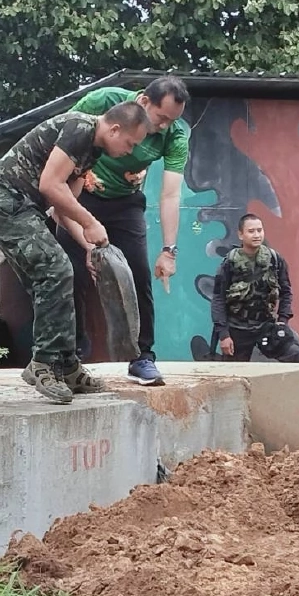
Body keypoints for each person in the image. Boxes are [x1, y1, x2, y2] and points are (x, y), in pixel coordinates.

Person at [0, 103, 151, 404]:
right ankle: (44, 362)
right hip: (4, 201)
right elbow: (50, 185)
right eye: (130, 143)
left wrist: (90, 247)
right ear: (114, 129)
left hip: (23, 208)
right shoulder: (80, 128)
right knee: (55, 270)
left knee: (55, 275)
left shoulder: (92, 151)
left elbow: (60, 206)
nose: (129, 151)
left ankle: (66, 364)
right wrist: (92, 222)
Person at [56, 76, 191, 386]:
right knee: (68, 272)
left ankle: (142, 356)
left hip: (125, 204)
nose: (167, 126)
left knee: (138, 274)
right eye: (162, 118)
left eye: (174, 120)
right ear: (144, 102)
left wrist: (169, 250)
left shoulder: (176, 135)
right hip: (81, 196)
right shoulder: (102, 101)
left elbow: (170, 194)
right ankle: (69, 355)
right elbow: (65, 142)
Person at [209, 213, 299, 363]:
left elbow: (286, 292)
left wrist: (282, 320)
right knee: (234, 376)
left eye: (259, 230)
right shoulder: (230, 262)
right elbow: (218, 299)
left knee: (293, 355)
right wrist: (224, 335)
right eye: (251, 231)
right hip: (237, 328)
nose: (256, 235)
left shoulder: (274, 259)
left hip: (266, 326)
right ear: (241, 235)